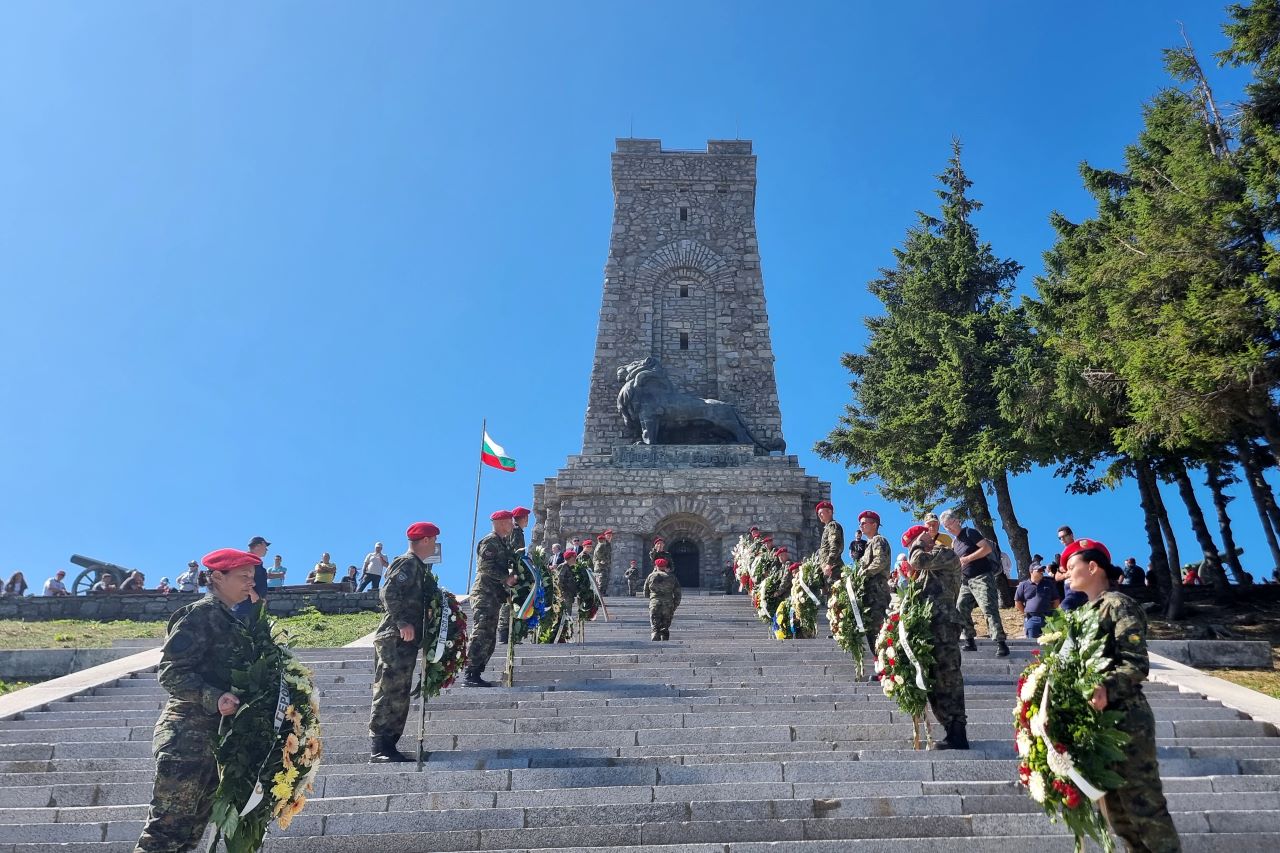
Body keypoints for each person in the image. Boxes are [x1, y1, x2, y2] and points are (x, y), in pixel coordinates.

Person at [133, 547, 259, 852]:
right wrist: (214, 697)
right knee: (164, 835)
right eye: (243, 577)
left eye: (252, 578)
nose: (250, 584)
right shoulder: (199, 615)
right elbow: (171, 672)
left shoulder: (232, 621)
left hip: (213, 743)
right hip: (186, 738)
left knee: (188, 838)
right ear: (217, 577)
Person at [1061, 537, 1181, 852]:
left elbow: (1136, 663)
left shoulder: (1118, 604)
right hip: (1098, 726)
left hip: (1127, 719)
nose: (1066, 574)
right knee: (1118, 816)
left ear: (1092, 566)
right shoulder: (1081, 615)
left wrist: (1106, 687)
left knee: (1144, 807)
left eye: (1071, 567)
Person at [368, 522, 441, 763]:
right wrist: (401, 622)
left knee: (400, 692)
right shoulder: (407, 562)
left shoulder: (419, 567)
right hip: (394, 637)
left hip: (406, 640)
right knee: (388, 689)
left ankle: (389, 745)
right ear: (427, 540)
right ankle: (379, 747)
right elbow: (387, 592)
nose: (436, 545)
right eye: (434, 540)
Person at [903, 523, 968, 750]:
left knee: (948, 678)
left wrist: (919, 544)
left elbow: (918, 560)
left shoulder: (945, 554)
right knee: (933, 682)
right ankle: (950, 731)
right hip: (929, 628)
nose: (913, 548)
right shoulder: (925, 571)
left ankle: (958, 732)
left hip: (944, 624)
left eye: (914, 543)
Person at [940, 509, 1008, 657]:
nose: (948, 529)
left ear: (956, 520)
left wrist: (967, 559)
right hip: (965, 581)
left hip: (981, 576)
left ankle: (1000, 643)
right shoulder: (955, 542)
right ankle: (969, 640)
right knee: (961, 607)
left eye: (949, 524)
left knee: (988, 607)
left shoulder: (970, 532)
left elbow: (986, 549)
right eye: (945, 527)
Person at [464, 510, 519, 687]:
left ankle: (477, 672)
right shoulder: (491, 541)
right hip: (484, 594)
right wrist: (506, 577)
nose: (512, 525)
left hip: (494, 595)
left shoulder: (502, 543)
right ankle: (470, 672)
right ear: (501, 522)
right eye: (510, 522)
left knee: (489, 636)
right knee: (481, 633)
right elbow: (485, 567)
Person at [855, 510, 892, 659]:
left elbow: (880, 561)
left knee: (878, 628)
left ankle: (885, 664)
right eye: (860, 523)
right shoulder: (869, 544)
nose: (861, 526)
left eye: (864, 523)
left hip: (877, 591)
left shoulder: (878, 540)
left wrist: (863, 574)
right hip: (869, 592)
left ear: (874, 524)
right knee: (871, 629)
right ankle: (880, 663)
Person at [1014, 563, 1058, 638]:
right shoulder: (1023, 585)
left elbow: (1056, 600)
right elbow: (1018, 602)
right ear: (1031, 571)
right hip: (1032, 618)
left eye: (1043, 570)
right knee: (1032, 644)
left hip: (1047, 617)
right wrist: (1025, 612)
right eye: (1039, 570)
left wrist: (1051, 612)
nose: (1042, 572)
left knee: (1049, 642)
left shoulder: (1049, 584)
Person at [232, 536, 271, 619]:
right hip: (244, 603)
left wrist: (261, 599)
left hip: (254, 604)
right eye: (265, 546)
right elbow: (240, 577)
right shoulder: (246, 560)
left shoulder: (257, 562)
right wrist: (252, 594)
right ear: (258, 545)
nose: (267, 550)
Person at [644, 557, 682, 641]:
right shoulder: (672, 577)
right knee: (666, 620)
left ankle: (655, 632)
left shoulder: (650, 576)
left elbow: (645, 592)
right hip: (668, 602)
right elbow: (678, 593)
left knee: (654, 619)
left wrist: (652, 598)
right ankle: (664, 634)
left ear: (656, 566)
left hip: (655, 601)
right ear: (665, 566)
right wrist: (675, 604)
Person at [1053, 525, 1087, 611]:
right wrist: (1066, 574)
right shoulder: (1064, 555)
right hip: (1068, 589)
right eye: (1060, 538)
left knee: (1064, 607)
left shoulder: (1081, 548)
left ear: (1071, 535)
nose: (1062, 540)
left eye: (1064, 536)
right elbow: (1057, 577)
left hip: (1080, 587)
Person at [815, 500, 845, 595]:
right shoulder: (827, 528)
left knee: (836, 596)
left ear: (829, 512)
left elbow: (835, 545)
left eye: (821, 512)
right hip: (827, 569)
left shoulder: (833, 526)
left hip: (833, 568)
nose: (819, 515)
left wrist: (829, 564)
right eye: (818, 513)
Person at [593, 529, 614, 596]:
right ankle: (599, 596)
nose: (609, 537)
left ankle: (602, 594)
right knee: (601, 581)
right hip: (600, 565)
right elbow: (598, 552)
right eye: (608, 535)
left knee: (605, 580)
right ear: (605, 536)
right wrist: (603, 560)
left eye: (610, 536)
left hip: (605, 565)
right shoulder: (602, 543)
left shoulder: (607, 544)